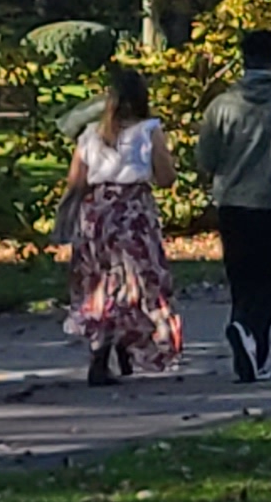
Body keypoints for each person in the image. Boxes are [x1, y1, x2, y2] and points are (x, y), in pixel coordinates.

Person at [193, 26, 271, 381]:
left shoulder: (222, 106)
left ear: (244, 58)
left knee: (243, 278)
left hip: (233, 202)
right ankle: (250, 334)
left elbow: (206, 157)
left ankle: (248, 346)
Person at [56, 61, 184, 387]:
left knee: (101, 282)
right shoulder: (149, 130)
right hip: (132, 212)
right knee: (139, 281)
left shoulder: (90, 135)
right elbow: (166, 177)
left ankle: (105, 349)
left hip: (97, 214)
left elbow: (76, 180)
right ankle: (124, 345)